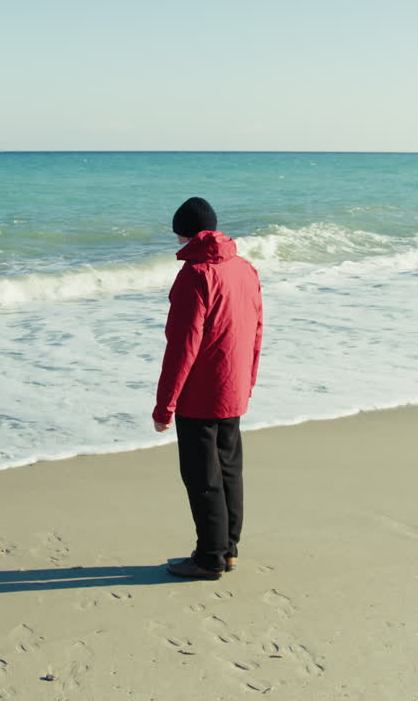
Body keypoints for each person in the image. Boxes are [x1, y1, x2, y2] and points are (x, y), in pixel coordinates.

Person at [153, 197, 263, 580]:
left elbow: (183, 346)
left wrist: (164, 406)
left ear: (187, 234)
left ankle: (209, 557)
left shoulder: (195, 275)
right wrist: (247, 382)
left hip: (200, 394)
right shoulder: (245, 269)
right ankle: (228, 550)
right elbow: (255, 331)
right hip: (232, 388)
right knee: (229, 471)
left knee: (203, 479)